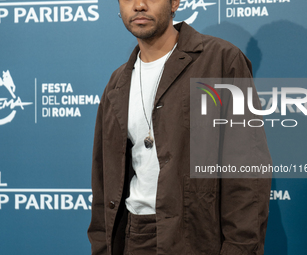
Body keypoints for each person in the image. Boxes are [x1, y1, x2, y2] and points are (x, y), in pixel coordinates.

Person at [88, 0, 272, 253]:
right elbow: (103, 179)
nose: (139, 5)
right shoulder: (117, 83)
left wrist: (240, 248)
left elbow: (245, 170)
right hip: (134, 236)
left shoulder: (220, 61)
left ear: (175, 2)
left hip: (197, 237)